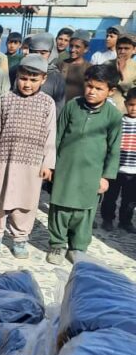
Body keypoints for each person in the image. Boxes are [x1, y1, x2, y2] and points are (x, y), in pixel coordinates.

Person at [47, 64, 122, 264]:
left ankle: (77, 248)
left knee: (84, 212)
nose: (92, 91)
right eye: (89, 86)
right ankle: (57, 244)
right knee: (60, 208)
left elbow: (114, 149)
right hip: (66, 169)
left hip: (92, 173)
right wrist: (50, 164)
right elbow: (57, 136)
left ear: (111, 91)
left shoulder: (113, 116)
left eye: (98, 88)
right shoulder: (72, 106)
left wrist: (106, 177)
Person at [0, 54, 56, 259]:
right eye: (23, 78)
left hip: (32, 163)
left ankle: (20, 238)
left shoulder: (47, 103)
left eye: (34, 80)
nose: (27, 84)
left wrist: (48, 163)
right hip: (4, 159)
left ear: (43, 79)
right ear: (17, 77)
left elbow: (51, 134)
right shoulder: (5, 99)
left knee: (26, 201)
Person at [100, 87, 136, 233]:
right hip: (115, 169)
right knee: (110, 197)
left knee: (130, 200)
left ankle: (125, 221)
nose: (134, 108)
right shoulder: (118, 121)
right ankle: (107, 219)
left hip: (134, 172)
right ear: (126, 104)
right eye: (131, 104)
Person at [10, 33, 65, 118]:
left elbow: (58, 107)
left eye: (43, 53)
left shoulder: (56, 77)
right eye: (34, 52)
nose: (38, 57)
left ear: (51, 53)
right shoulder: (16, 70)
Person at [61, 29, 90, 101]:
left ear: (86, 49)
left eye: (77, 47)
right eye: (71, 46)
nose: (72, 50)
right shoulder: (61, 65)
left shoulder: (90, 68)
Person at [110, 34, 136, 112]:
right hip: (107, 108)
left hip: (126, 111)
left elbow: (131, 92)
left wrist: (121, 72)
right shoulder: (107, 64)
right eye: (119, 48)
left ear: (134, 50)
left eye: (126, 48)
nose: (122, 51)